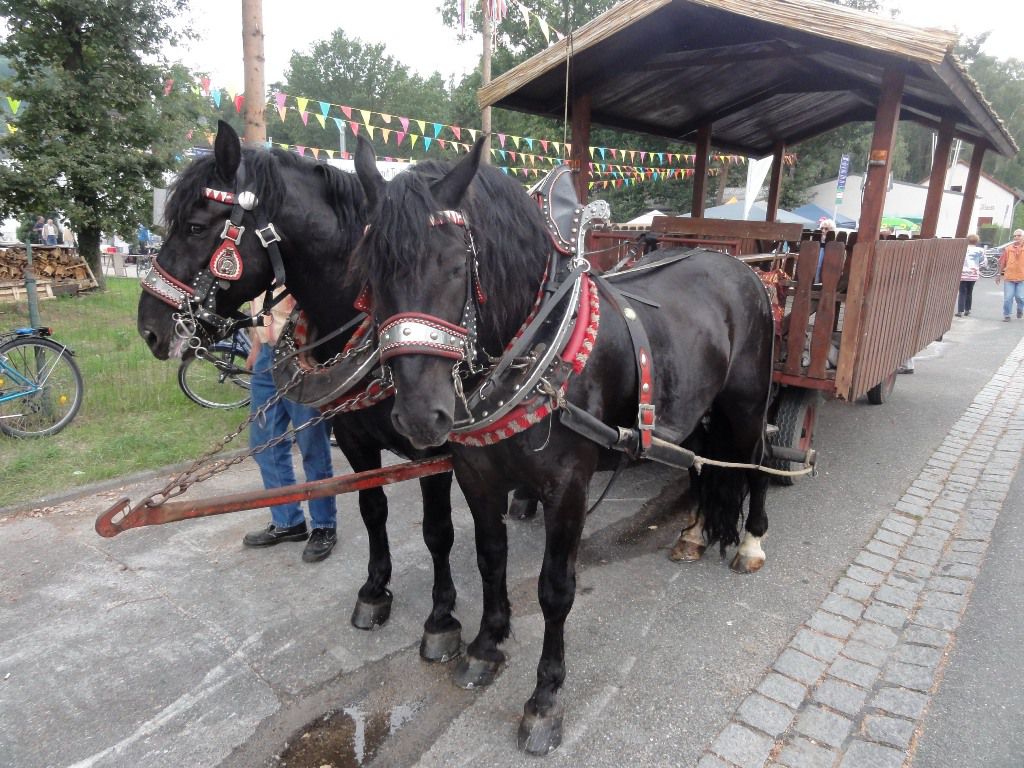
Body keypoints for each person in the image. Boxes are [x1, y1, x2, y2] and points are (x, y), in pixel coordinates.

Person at [242, 288, 339, 562]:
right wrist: (256, 348)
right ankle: (288, 521)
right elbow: (257, 309)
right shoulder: (257, 261)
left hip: (301, 353)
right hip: (266, 359)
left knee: (312, 444)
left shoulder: (291, 253)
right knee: (264, 444)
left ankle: (324, 526)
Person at [997, 229, 1024, 322]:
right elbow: (1002, 262)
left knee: (1020, 297)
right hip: (1009, 277)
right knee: (1008, 297)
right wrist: (998, 274)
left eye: (1019, 235)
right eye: (1015, 236)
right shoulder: (1008, 249)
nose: (1016, 237)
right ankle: (1007, 315)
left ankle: (1020, 309)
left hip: (1022, 278)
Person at [956, 233, 984, 317]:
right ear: (977, 241)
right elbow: (983, 262)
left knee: (962, 292)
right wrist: (978, 267)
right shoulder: (980, 250)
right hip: (973, 274)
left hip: (963, 274)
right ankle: (967, 310)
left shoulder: (962, 249)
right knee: (969, 292)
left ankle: (960, 311)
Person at [813, 218, 835, 283]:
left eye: (826, 229)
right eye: (821, 228)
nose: (823, 230)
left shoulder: (833, 243)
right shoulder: (816, 239)